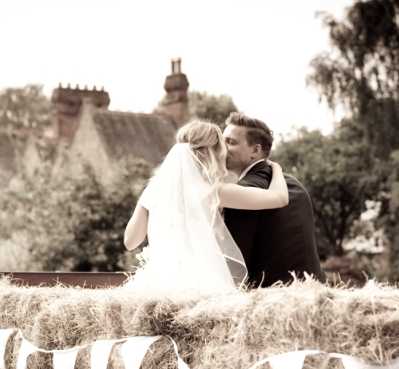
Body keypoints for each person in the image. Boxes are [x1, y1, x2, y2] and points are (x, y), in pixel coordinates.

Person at [124, 120, 289, 292]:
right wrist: (276, 168)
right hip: (198, 283)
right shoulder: (214, 192)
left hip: (158, 283)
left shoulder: (154, 190)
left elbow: (130, 241)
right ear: (214, 152)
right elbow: (279, 198)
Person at [222, 113, 326, 287]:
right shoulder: (292, 183)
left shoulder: (243, 194)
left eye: (231, 142)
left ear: (255, 151)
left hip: (271, 298)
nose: (222, 148)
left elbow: (236, 263)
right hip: (315, 291)